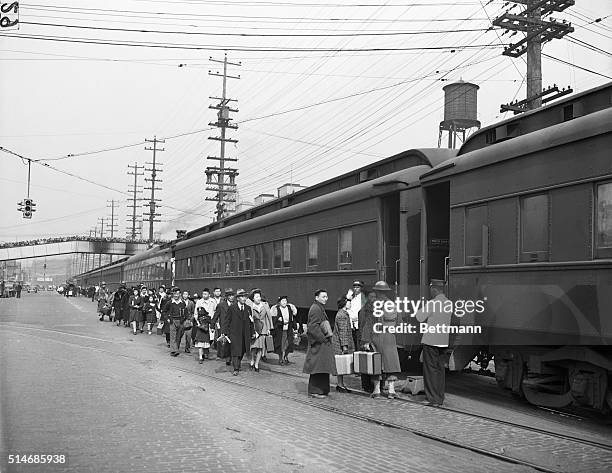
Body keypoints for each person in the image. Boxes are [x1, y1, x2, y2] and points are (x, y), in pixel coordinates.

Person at [361, 281, 402, 399]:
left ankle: (377, 390)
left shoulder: (374, 305)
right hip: (390, 337)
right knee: (391, 363)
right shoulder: (393, 304)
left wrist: (366, 340)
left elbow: (369, 324)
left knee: (376, 362)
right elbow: (399, 323)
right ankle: (391, 390)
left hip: (377, 336)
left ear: (377, 292)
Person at [415, 279, 452, 407]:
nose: (430, 291)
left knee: (430, 371)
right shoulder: (448, 303)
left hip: (431, 341)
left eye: (431, 289)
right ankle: (439, 398)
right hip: (443, 341)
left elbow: (419, 317)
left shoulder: (433, 303)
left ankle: (431, 399)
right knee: (440, 371)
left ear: (434, 289)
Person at [303, 289, 336, 398]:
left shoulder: (318, 307)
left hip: (320, 344)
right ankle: (315, 390)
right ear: (317, 298)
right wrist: (323, 339)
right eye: (323, 297)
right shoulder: (316, 308)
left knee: (322, 367)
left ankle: (322, 390)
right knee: (318, 367)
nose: (325, 299)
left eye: (326, 297)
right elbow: (313, 327)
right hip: (318, 344)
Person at [222, 289, 254, 376]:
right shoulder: (232, 308)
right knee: (235, 351)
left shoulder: (248, 308)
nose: (244, 298)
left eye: (245, 297)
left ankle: (238, 363)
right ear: (238, 298)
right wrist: (225, 332)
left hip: (245, 334)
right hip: (234, 333)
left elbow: (251, 322)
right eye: (243, 297)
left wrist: (253, 332)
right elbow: (227, 320)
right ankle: (236, 368)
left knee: (243, 350)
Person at [332, 296, 355, 393]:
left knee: (340, 365)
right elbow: (343, 331)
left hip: (339, 342)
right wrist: (344, 346)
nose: (350, 304)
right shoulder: (342, 315)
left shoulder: (342, 313)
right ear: (344, 304)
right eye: (348, 302)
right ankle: (340, 385)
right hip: (340, 344)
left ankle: (340, 384)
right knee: (341, 364)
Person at [247, 289, 273, 372]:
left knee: (260, 348)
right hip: (254, 328)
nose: (258, 298)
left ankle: (256, 364)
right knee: (254, 347)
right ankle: (252, 360)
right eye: (256, 296)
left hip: (263, 329)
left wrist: (269, 328)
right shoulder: (250, 305)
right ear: (253, 298)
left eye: (259, 296)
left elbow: (268, 317)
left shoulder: (265, 305)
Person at [358, 289, 378, 393]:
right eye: (371, 297)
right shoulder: (363, 311)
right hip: (366, 339)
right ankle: (366, 385)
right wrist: (364, 341)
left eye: (375, 297)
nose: (373, 299)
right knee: (366, 362)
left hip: (375, 338)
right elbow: (362, 326)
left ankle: (375, 384)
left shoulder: (377, 309)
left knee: (374, 362)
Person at [271, 296, 297, 365]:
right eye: (283, 301)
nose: (284, 302)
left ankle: (285, 356)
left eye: (285, 301)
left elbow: (292, 319)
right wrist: (278, 320)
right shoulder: (276, 309)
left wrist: (295, 328)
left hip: (288, 329)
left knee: (288, 344)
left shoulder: (289, 308)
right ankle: (281, 359)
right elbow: (273, 320)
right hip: (280, 330)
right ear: (279, 302)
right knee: (281, 345)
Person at [213, 288, 235, 365]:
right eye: (230, 295)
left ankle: (232, 358)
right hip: (225, 327)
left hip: (234, 327)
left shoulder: (235, 305)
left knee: (233, 343)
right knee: (226, 344)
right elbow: (216, 316)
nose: (232, 297)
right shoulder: (221, 305)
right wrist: (212, 325)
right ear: (227, 297)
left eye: (233, 295)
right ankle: (228, 358)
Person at [163, 287, 186, 356]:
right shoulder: (169, 303)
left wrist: (185, 319)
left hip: (181, 321)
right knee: (173, 336)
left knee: (179, 336)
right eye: (174, 294)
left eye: (177, 294)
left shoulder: (182, 303)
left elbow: (185, 312)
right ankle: (173, 351)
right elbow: (164, 311)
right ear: (172, 294)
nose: (176, 295)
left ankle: (176, 349)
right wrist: (167, 318)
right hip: (172, 321)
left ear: (180, 294)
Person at [346, 280, 366, 351]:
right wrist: (348, 299)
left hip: (358, 323)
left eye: (357, 287)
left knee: (358, 341)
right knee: (354, 341)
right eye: (354, 287)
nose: (355, 289)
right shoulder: (352, 297)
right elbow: (348, 308)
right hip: (353, 324)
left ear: (361, 288)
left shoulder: (363, 298)